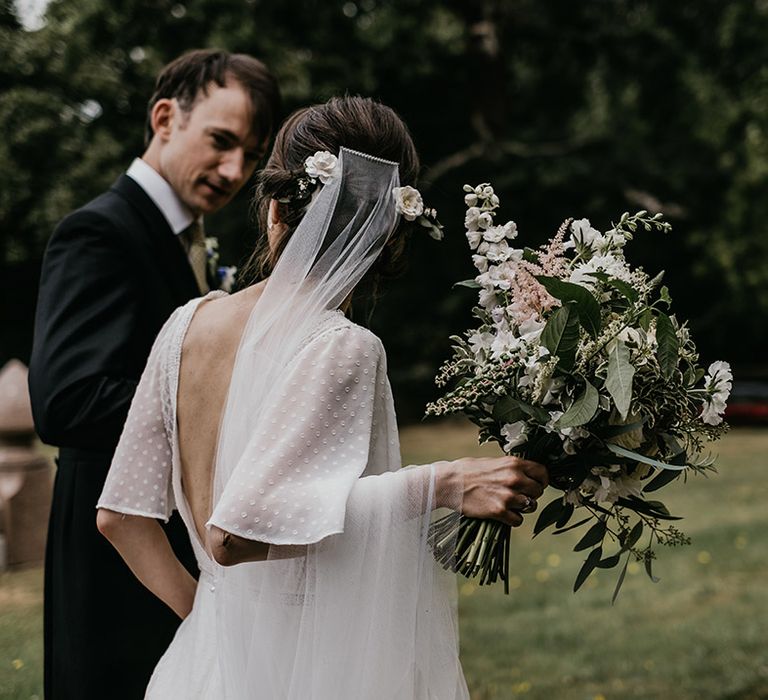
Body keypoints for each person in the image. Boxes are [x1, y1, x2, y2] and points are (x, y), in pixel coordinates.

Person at [96, 96, 548, 699]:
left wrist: (210, 623)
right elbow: (233, 535)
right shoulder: (341, 345)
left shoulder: (186, 325)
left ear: (275, 209)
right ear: (390, 231)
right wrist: (441, 485)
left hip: (198, 670)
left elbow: (121, 517)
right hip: (304, 668)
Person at [28, 49, 280, 700]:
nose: (233, 172)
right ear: (165, 117)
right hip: (112, 558)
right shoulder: (99, 233)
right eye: (221, 143)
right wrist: (229, 404)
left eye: (250, 157)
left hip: (172, 541)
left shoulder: (184, 239)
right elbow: (66, 399)